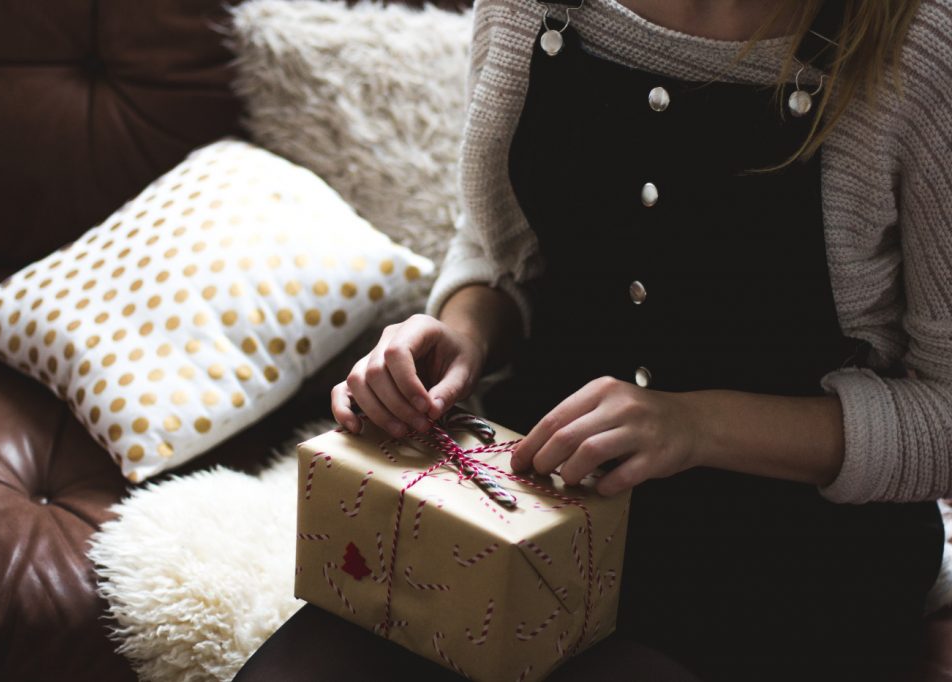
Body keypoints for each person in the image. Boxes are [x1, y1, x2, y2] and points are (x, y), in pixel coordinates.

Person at [330, 0, 951, 679]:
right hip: (527, 507)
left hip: (790, 564)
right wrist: (462, 333)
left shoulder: (923, 43)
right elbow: (494, 241)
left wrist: (696, 425)